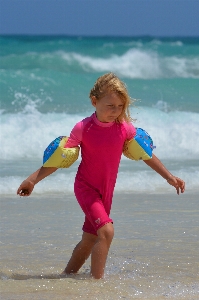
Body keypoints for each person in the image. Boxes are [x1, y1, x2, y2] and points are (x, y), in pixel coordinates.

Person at [17, 73, 185, 279]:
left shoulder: (124, 128)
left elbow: (146, 155)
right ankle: (96, 284)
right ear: (94, 101)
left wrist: (169, 177)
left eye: (120, 106)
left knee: (90, 238)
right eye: (110, 106)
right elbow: (58, 160)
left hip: (107, 191)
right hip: (86, 188)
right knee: (106, 232)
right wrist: (32, 179)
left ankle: (66, 276)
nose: (116, 111)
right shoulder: (83, 128)